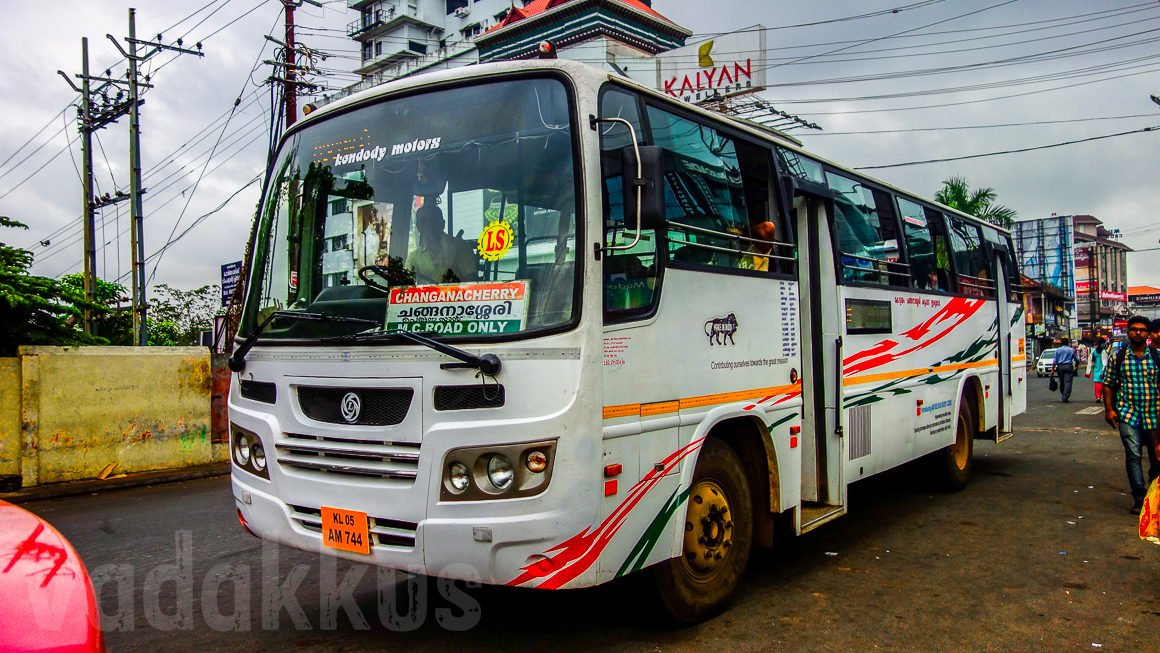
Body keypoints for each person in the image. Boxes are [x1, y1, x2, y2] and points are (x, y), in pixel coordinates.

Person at [1102, 315, 1160, 515]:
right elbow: (1108, 384)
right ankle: (1139, 498)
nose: (1138, 332)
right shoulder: (1118, 357)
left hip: (1154, 416)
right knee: (1133, 456)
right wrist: (1109, 409)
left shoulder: (1156, 356)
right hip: (1128, 414)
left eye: (1142, 330)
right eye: (1134, 329)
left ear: (1147, 333)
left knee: (1156, 459)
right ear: (1128, 331)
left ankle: (1154, 498)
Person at [406, 203, 478, 283]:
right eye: (423, 221)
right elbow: (405, 285)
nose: (428, 225)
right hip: (424, 295)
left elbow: (472, 284)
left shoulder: (461, 248)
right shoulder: (414, 257)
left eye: (433, 220)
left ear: (442, 224)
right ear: (418, 227)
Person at [1050, 337, 1078, 402]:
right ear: (1068, 343)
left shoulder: (1058, 350)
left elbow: (1055, 361)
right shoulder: (1071, 350)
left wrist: (1052, 370)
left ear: (1061, 343)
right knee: (1068, 382)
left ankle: (1063, 393)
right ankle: (1065, 396)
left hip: (1060, 367)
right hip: (1068, 366)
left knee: (1062, 381)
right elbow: (1076, 359)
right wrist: (1076, 364)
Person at [1085, 338, 1109, 402]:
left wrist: (1088, 372)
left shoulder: (1093, 351)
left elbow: (1090, 361)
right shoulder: (1104, 351)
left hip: (1096, 370)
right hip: (1102, 371)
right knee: (1102, 384)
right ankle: (1101, 396)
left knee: (1097, 384)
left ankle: (1098, 397)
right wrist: (1103, 372)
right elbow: (1105, 363)